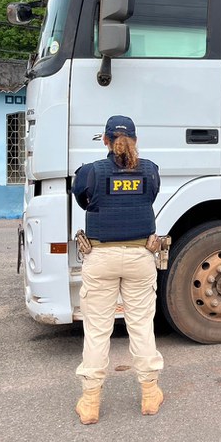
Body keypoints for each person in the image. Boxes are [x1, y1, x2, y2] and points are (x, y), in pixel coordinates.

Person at [72, 115, 164, 425]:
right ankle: (150, 394)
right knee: (141, 326)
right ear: (135, 140)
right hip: (140, 255)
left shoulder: (90, 172)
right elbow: (150, 197)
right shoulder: (150, 171)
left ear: (105, 140)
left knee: (97, 330)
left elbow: (83, 201)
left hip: (101, 257)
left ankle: (90, 402)